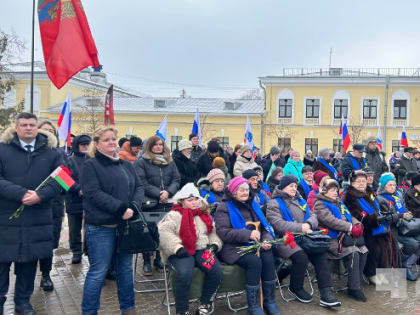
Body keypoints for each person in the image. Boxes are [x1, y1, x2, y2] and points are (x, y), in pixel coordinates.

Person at [0, 113, 63, 315]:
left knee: (28, 263)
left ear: (38, 128)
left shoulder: (53, 152)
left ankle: (23, 302)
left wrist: (40, 196)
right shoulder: (2, 150)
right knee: (1, 264)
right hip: (6, 217)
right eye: (24, 125)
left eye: (32, 125)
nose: (28, 128)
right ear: (16, 128)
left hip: (38, 217)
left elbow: (64, 180)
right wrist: (20, 194)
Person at [80, 126, 143, 315]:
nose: (112, 142)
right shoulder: (90, 165)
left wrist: (133, 207)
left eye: (114, 139)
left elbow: (139, 186)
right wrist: (121, 208)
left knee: (125, 270)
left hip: (125, 227)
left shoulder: (125, 164)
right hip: (101, 227)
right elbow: (93, 193)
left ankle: (128, 308)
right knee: (99, 272)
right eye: (106, 139)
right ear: (97, 144)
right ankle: (89, 311)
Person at [266, 175, 341, 308]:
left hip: (305, 236)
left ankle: (326, 293)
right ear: (283, 187)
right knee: (301, 256)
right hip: (285, 239)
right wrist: (300, 227)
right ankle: (295, 287)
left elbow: (313, 215)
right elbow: (278, 224)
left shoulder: (300, 200)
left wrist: (308, 224)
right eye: (291, 186)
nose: (294, 188)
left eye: (295, 186)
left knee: (320, 253)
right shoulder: (274, 203)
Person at [215, 177, 281, 315]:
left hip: (256, 243)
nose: (245, 192)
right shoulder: (224, 207)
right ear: (233, 192)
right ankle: (254, 305)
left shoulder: (253, 204)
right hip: (233, 247)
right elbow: (223, 233)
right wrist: (247, 234)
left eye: (247, 189)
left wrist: (267, 240)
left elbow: (265, 227)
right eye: (241, 190)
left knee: (268, 257)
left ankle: (269, 301)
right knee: (254, 262)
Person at [158, 183, 223, 315]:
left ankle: (205, 303)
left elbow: (212, 231)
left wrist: (215, 244)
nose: (194, 203)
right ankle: (182, 310)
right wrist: (177, 247)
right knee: (184, 273)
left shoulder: (203, 214)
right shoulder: (174, 215)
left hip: (201, 248)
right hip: (182, 251)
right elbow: (163, 232)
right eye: (190, 200)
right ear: (182, 201)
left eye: (196, 199)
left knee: (215, 270)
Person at [313, 179, 368, 301]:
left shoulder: (338, 202)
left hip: (345, 237)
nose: (335, 192)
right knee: (354, 252)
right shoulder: (320, 204)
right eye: (332, 190)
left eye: (336, 190)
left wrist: (357, 224)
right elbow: (330, 221)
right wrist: (349, 227)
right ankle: (354, 289)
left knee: (364, 250)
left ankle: (355, 283)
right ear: (324, 191)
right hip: (331, 239)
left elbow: (349, 216)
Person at [343, 170, 400, 285]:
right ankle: (371, 273)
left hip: (377, 226)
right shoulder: (349, 196)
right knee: (376, 247)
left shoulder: (369, 193)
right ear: (352, 183)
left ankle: (384, 272)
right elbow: (356, 215)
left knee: (389, 243)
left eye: (363, 181)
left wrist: (385, 214)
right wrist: (375, 218)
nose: (361, 184)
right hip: (364, 229)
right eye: (358, 181)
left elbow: (378, 208)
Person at [134, 136, 180, 274]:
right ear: (149, 146)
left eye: (161, 144)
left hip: (167, 202)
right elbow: (141, 182)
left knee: (164, 231)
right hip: (149, 202)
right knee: (147, 232)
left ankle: (160, 258)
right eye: (155, 145)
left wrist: (168, 192)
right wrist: (159, 193)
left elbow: (176, 179)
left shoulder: (169, 161)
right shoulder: (141, 162)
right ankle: (147, 260)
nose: (159, 147)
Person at [37, 120, 67, 292]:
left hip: (53, 204)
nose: (47, 133)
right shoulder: (30, 153)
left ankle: (46, 274)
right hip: (31, 203)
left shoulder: (59, 154)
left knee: (48, 242)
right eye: (44, 130)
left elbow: (66, 181)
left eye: (51, 131)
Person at [376, 173, 419, 281]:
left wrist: (408, 214)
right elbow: (385, 218)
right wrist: (401, 216)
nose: (392, 187)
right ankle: (404, 264)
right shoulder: (380, 199)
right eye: (389, 185)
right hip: (392, 230)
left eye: (394, 185)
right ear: (384, 186)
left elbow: (404, 210)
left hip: (405, 227)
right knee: (412, 244)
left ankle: (408, 263)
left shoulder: (397, 196)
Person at [65, 134, 92, 264]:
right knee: (74, 228)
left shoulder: (93, 159)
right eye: (83, 145)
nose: (86, 147)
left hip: (91, 200)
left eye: (88, 144)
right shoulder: (68, 160)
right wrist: (78, 189)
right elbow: (62, 178)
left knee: (90, 227)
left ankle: (89, 249)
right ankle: (76, 251)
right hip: (73, 199)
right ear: (77, 145)